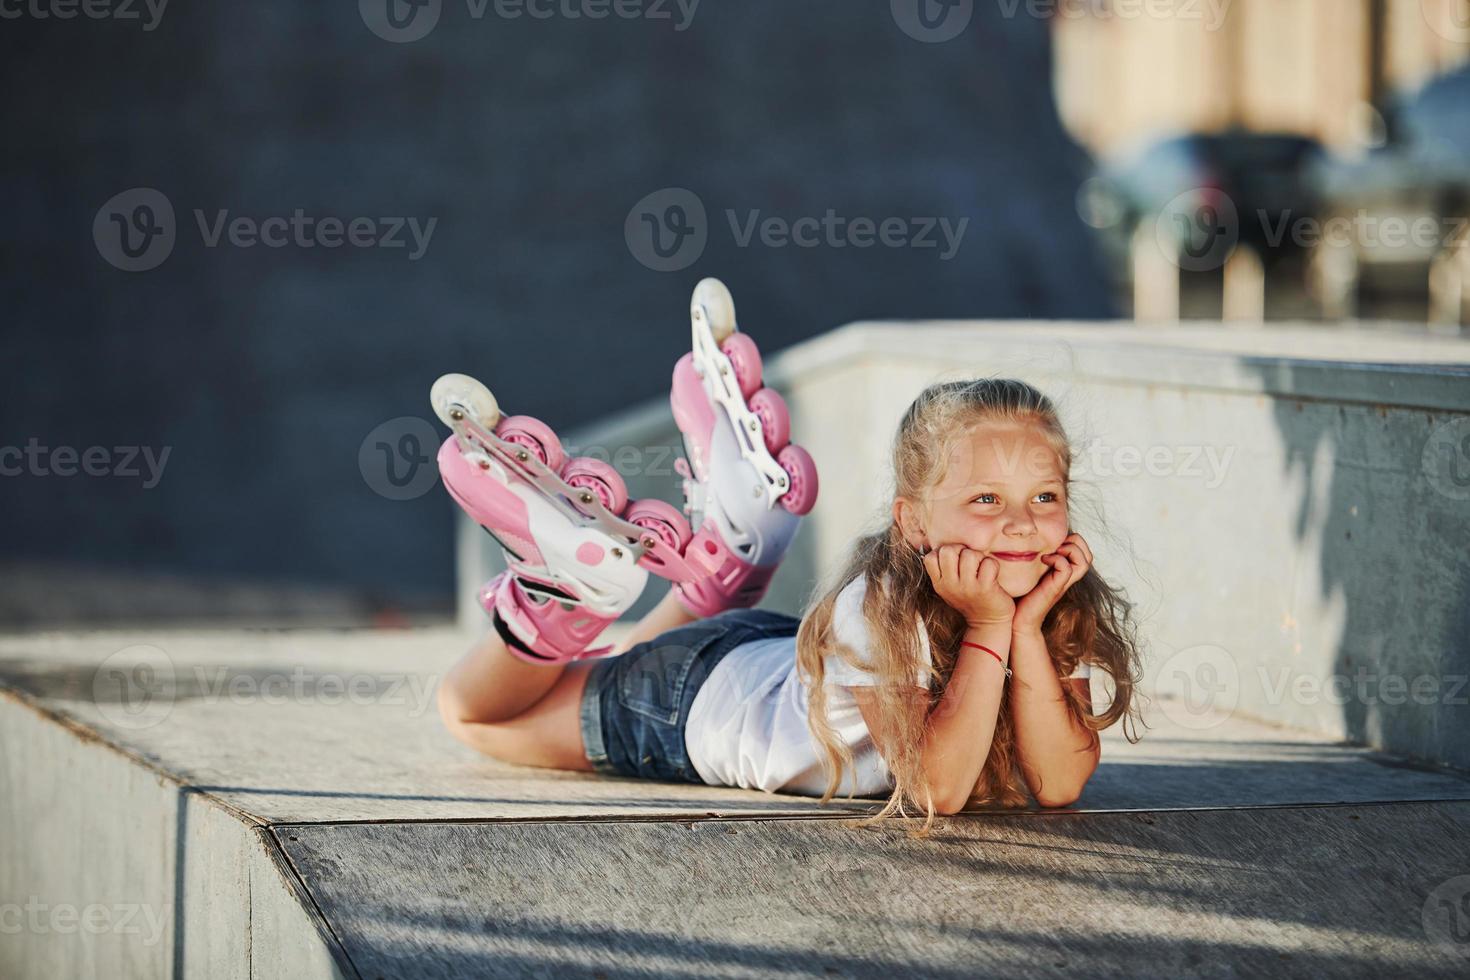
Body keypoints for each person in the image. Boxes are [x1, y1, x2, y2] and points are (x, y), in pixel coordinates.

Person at [434, 284, 1142, 834]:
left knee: (610, 664)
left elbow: (1060, 782)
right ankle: (557, 597)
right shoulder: (882, 606)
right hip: (691, 709)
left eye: (1045, 496)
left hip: (749, 656)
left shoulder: (1051, 602)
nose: (1023, 525)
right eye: (986, 501)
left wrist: (1024, 631)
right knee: (472, 717)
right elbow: (937, 789)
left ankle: (730, 559)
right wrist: (991, 629)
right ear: (914, 522)